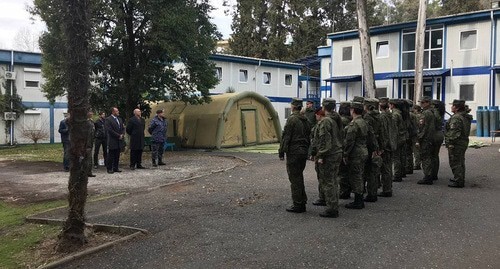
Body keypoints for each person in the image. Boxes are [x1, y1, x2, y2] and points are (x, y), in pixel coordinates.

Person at [279, 98, 311, 213]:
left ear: (293, 106)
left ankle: (298, 204)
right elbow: (309, 135)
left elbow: (286, 137)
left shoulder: (292, 119)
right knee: (299, 176)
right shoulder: (305, 119)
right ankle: (302, 201)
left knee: (294, 178)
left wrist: (281, 151)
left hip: (294, 152)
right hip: (303, 151)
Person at [312, 106, 343, 218]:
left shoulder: (325, 122)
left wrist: (321, 155)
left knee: (328, 182)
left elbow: (324, 142)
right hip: (336, 153)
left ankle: (332, 209)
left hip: (329, 155)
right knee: (333, 180)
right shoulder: (333, 120)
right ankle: (333, 204)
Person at [343, 101, 368, 209]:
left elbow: (350, 141)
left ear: (352, 110)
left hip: (356, 153)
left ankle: (358, 201)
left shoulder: (354, 124)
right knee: (360, 175)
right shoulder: (363, 121)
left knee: (356, 176)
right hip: (363, 150)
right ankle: (359, 198)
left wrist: (345, 154)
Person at [445, 100, 472, 188]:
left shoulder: (456, 118)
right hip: (463, 141)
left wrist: (450, 143)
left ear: (456, 108)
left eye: (453, 106)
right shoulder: (464, 116)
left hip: (457, 143)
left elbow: (454, 132)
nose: (451, 107)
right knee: (460, 161)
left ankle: (458, 181)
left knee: (455, 161)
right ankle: (459, 177)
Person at [362, 98, 381, 203]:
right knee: (373, 171)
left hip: (369, 145)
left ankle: (371, 193)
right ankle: (373, 191)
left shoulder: (368, 117)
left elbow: (369, 134)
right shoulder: (379, 116)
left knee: (368, 170)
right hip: (376, 144)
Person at [378, 97, 396, 197]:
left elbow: (383, 133)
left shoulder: (383, 117)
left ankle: (387, 189)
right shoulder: (391, 115)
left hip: (386, 145)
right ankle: (388, 187)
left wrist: (382, 147)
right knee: (388, 167)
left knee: (385, 168)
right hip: (391, 143)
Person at [416, 96, 436, 185]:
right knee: (429, 157)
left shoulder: (426, 113)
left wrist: (419, 138)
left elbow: (423, 127)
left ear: (427, 103)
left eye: (423, 103)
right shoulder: (432, 112)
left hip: (426, 138)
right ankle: (429, 175)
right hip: (430, 137)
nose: (421, 104)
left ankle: (427, 176)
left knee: (425, 157)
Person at [389, 99, 407, 182]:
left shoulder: (395, 114)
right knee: (400, 156)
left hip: (398, 138)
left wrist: (392, 141)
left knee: (396, 158)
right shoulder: (400, 113)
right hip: (402, 137)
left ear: (393, 105)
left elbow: (394, 129)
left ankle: (397, 175)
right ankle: (401, 172)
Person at [338, 101, 352, 199]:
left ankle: (344, 191)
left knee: (342, 171)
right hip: (351, 148)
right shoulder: (352, 120)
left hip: (343, 147)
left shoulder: (341, 121)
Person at [105, 107, 125, 174]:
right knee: (111, 155)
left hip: (119, 140)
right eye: (117, 111)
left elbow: (122, 128)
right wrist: (118, 135)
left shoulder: (120, 119)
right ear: (113, 112)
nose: (118, 112)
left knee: (117, 154)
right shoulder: (108, 119)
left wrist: (122, 134)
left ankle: (116, 167)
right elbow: (110, 130)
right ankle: (109, 168)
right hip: (112, 139)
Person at [431, 99, 445, 181]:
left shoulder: (435, 112)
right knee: (435, 156)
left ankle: (432, 174)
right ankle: (434, 173)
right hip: (439, 133)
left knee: (432, 155)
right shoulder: (440, 112)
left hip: (435, 134)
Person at [412, 105, 423, 170]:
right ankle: (418, 163)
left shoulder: (417, 116)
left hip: (417, 134)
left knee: (416, 150)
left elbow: (418, 125)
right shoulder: (421, 115)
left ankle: (417, 164)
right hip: (420, 134)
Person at [86, 112, 96, 177]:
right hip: (86, 143)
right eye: (91, 114)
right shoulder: (85, 123)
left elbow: (93, 132)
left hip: (90, 142)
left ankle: (89, 171)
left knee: (89, 158)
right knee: (86, 158)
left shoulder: (91, 122)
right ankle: (85, 172)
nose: (92, 115)